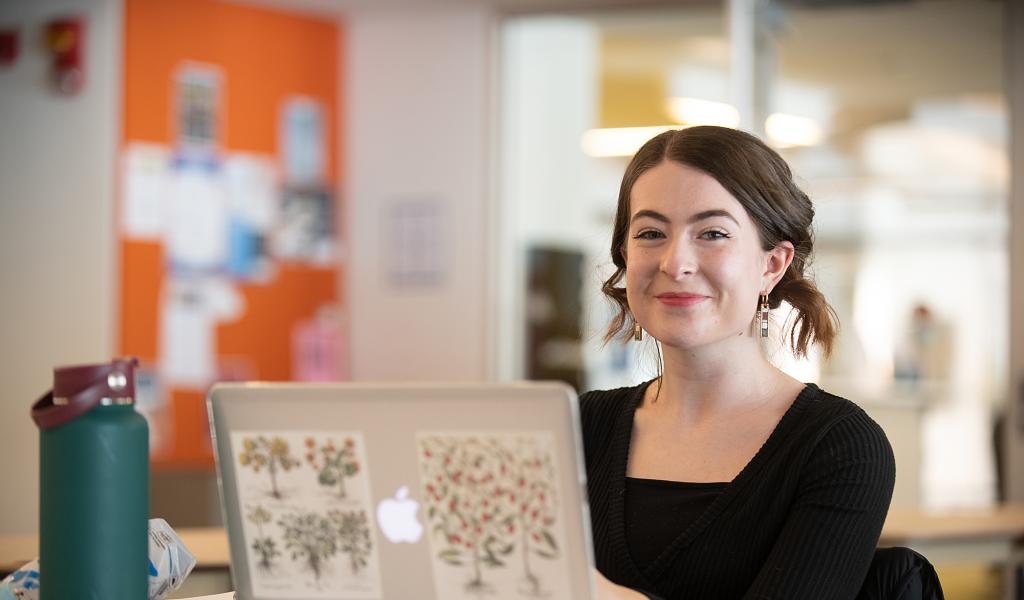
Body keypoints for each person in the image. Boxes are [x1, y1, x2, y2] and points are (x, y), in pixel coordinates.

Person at [582, 126, 895, 599]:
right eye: (650, 233)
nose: (675, 262)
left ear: (772, 265)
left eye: (712, 233)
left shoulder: (839, 447)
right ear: (626, 256)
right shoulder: (580, 427)